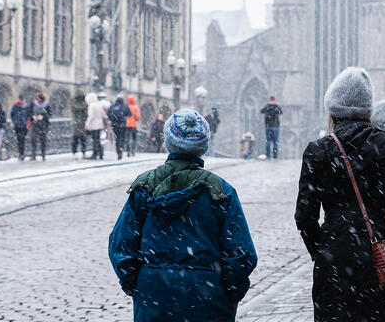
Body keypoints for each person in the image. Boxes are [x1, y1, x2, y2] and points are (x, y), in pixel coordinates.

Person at [296, 67, 385, 322]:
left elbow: (304, 217)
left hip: (333, 262)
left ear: (333, 111)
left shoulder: (318, 151)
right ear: (369, 110)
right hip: (379, 263)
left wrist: (324, 250)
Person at [109, 109, 257, 322]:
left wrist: (139, 284)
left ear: (167, 143)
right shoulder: (221, 191)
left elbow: (121, 245)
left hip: (153, 296)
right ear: (203, 147)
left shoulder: (143, 187)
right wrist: (229, 293)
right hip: (208, 296)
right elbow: (241, 253)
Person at [85, 93, 110, 160]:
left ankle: (95, 154)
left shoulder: (91, 106)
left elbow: (91, 116)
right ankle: (101, 153)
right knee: (97, 139)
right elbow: (104, 114)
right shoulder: (99, 104)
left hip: (93, 125)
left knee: (95, 140)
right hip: (99, 125)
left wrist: (87, 124)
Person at [108, 96, 132, 160]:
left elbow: (109, 114)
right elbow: (130, 114)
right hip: (122, 124)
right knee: (122, 137)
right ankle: (121, 147)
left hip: (114, 124)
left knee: (117, 138)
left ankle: (118, 151)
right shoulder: (125, 106)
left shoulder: (113, 106)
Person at [30, 93, 52, 161]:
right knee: (33, 140)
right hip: (35, 124)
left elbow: (50, 114)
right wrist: (32, 116)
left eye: (40, 100)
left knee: (43, 141)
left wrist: (43, 117)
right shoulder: (33, 104)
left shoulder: (46, 105)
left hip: (43, 125)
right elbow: (29, 112)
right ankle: (33, 155)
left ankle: (43, 155)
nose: (39, 101)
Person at [10, 96, 31, 161]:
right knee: (19, 140)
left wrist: (27, 122)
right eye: (20, 99)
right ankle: (21, 153)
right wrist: (15, 121)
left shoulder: (26, 107)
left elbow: (29, 115)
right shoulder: (15, 106)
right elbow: (12, 114)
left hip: (24, 126)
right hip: (17, 126)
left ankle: (22, 153)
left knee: (22, 139)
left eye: (22, 100)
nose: (21, 101)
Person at [71, 92, 89, 157]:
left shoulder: (74, 104)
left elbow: (73, 110)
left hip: (76, 124)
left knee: (75, 139)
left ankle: (74, 152)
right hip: (82, 124)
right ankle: (83, 152)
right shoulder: (84, 105)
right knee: (83, 140)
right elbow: (86, 114)